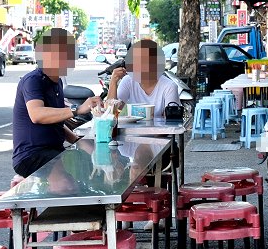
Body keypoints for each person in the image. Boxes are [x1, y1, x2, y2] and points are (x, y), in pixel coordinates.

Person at [13, 28, 101, 177]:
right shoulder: (33, 80)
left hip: (53, 150)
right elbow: (37, 115)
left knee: (85, 173)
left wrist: (81, 142)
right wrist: (77, 109)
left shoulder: (57, 82)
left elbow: (56, 124)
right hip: (32, 155)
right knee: (67, 187)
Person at [106, 38, 180, 118]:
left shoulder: (169, 86)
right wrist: (113, 82)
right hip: (132, 129)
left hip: (159, 130)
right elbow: (111, 112)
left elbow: (171, 120)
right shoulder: (128, 81)